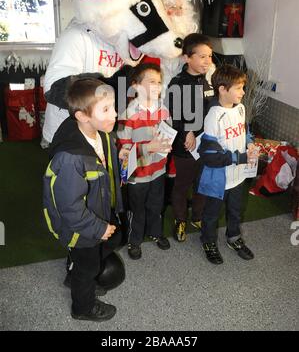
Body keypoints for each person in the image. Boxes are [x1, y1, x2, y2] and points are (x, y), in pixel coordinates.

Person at [43, 77, 127, 322]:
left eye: (113, 106)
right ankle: (82, 307)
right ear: (82, 116)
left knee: (112, 241)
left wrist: (117, 154)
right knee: (88, 267)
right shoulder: (70, 158)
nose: (115, 114)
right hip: (82, 226)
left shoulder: (101, 134)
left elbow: (102, 166)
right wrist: (98, 228)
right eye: (106, 109)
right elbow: (70, 208)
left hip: (98, 208)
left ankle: (75, 272)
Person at [198, 64, 258, 265]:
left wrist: (250, 144)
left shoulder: (240, 109)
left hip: (238, 176)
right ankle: (208, 241)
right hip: (219, 177)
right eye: (239, 88)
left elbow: (245, 132)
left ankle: (233, 237)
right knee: (212, 214)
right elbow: (210, 155)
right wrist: (239, 158)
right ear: (222, 89)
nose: (243, 92)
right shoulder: (214, 115)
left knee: (235, 210)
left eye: (243, 87)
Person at [117, 63, 172, 260]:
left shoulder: (163, 110)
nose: (157, 86)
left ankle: (155, 233)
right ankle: (135, 240)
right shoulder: (128, 114)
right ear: (137, 86)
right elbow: (122, 150)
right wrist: (147, 148)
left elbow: (167, 134)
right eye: (151, 82)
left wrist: (166, 145)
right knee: (137, 210)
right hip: (137, 174)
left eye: (159, 82)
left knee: (156, 206)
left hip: (158, 169)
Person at [166, 33, 215, 242]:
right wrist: (188, 131)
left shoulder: (209, 82)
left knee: (202, 182)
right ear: (187, 58)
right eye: (202, 56)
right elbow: (175, 112)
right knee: (182, 184)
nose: (207, 61)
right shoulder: (177, 82)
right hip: (185, 144)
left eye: (210, 56)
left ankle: (197, 216)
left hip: (206, 144)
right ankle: (180, 220)